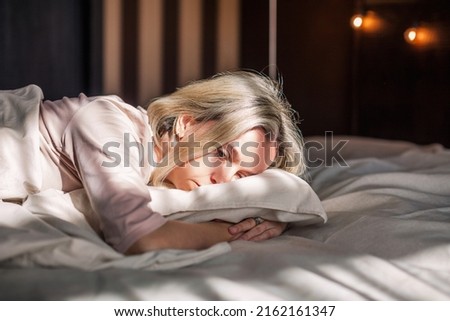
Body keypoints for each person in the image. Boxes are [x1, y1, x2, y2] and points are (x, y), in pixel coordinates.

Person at [37, 70, 306, 255]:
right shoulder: (107, 124)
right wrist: (229, 232)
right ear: (185, 123)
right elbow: (142, 240)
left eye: (243, 176)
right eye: (221, 153)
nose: (223, 180)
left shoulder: (156, 170)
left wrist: (272, 217)